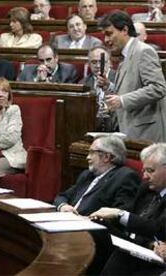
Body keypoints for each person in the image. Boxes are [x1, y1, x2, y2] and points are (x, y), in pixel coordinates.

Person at [90, 143, 166, 275]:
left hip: (153, 257)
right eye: (144, 171)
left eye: (150, 171)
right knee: (96, 229)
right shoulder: (146, 189)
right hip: (135, 246)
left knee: (121, 258)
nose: (145, 177)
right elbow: (130, 214)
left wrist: (119, 214)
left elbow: (158, 229)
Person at [100, 10, 166, 142]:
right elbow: (129, 89)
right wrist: (109, 86)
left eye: (109, 34)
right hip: (132, 131)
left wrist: (122, 100)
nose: (106, 40)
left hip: (147, 134)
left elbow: (158, 87)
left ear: (124, 30)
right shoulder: (125, 55)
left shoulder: (143, 51)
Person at [54, 136, 140, 216]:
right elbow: (62, 196)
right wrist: (63, 206)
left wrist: (87, 219)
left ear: (106, 157)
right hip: (68, 221)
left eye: (92, 152)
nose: (87, 157)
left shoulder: (124, 177)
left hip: (91, 227)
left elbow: (119, 214)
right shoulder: (87, 175)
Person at [81, 46, 116, 131]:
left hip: (116, 124)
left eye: (101, 62)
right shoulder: (83, 83)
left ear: (110, 63)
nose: (98, 65)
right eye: (94, 62)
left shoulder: (119, 77)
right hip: (92, 126)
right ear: (88, 64)